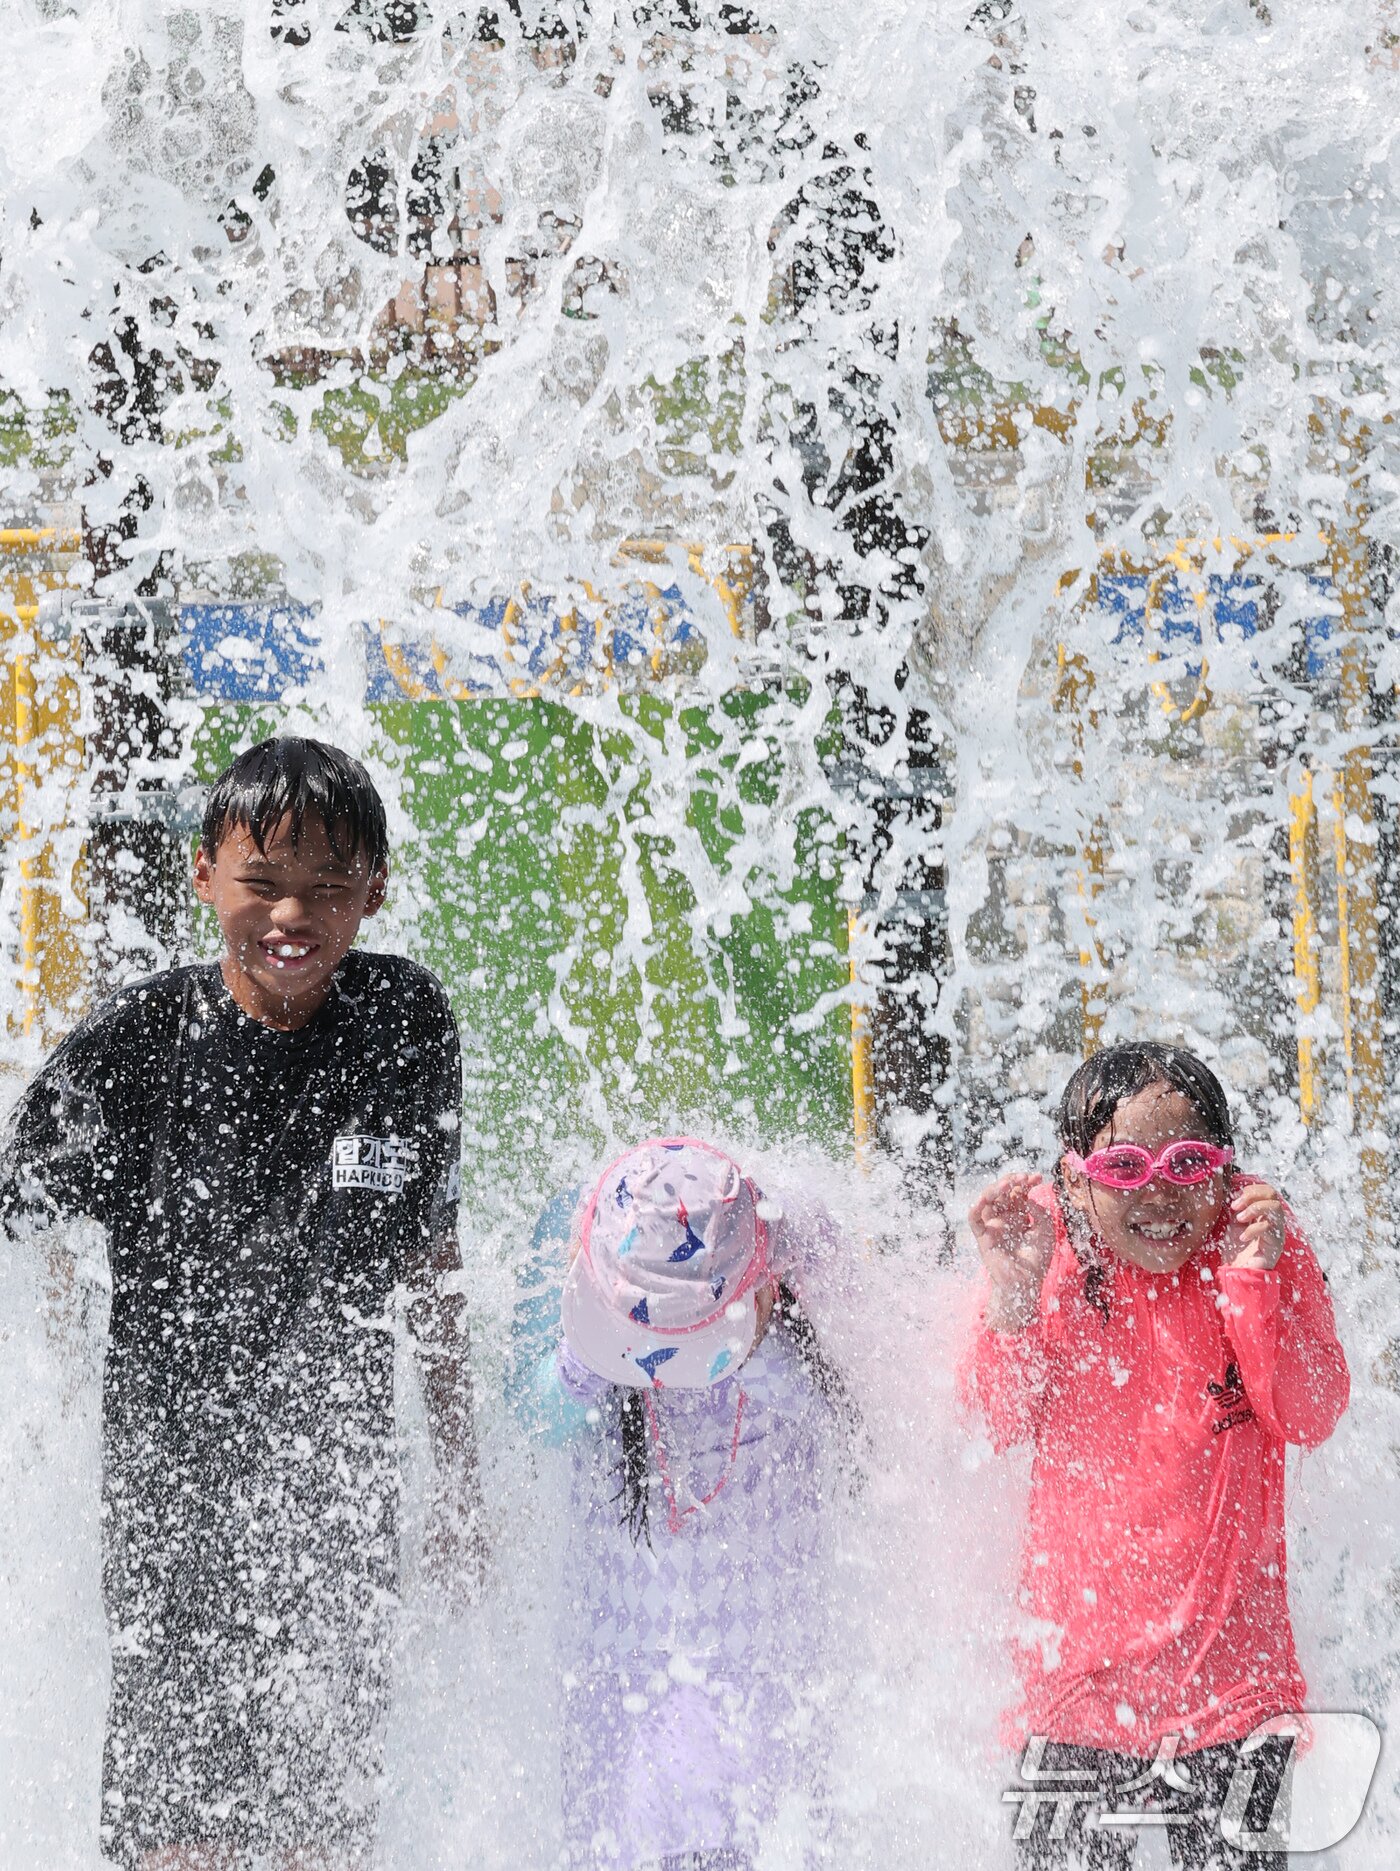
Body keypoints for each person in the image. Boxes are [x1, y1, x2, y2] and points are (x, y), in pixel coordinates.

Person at [1, 737, 478, 1870]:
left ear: (375, 890)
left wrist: (457, 1468)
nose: (291, 914)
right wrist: (54, 1392)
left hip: (339, 1485)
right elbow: (21, 1219)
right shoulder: (137, 1043)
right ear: (205, 874)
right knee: (179, 1837)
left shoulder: (405, 1020)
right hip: (174, 1498)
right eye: (262, 882)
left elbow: (432, 1253)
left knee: (324, 1824)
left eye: (325, 886)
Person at [962, 1041, 1350, 1871]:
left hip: (1235, 1697)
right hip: (1076, 1694)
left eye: (1187, 1162)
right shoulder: (1052, 1260)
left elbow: (1310, 1412)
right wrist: (1013, 1298)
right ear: (1074, 1179)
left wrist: (1255, 1283)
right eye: (1126, 1167)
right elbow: (990, 1420)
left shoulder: (1262, 1250)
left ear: (1226, 1166)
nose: (1162, 1195)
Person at [510, 1137, 857, 1871]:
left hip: (765, 1653)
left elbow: (861, 1432)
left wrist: (763, 1350)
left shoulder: (798, 1230)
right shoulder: (573, 1225)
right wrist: (584, 1362)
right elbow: (531, 1418)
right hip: (621, 1648)